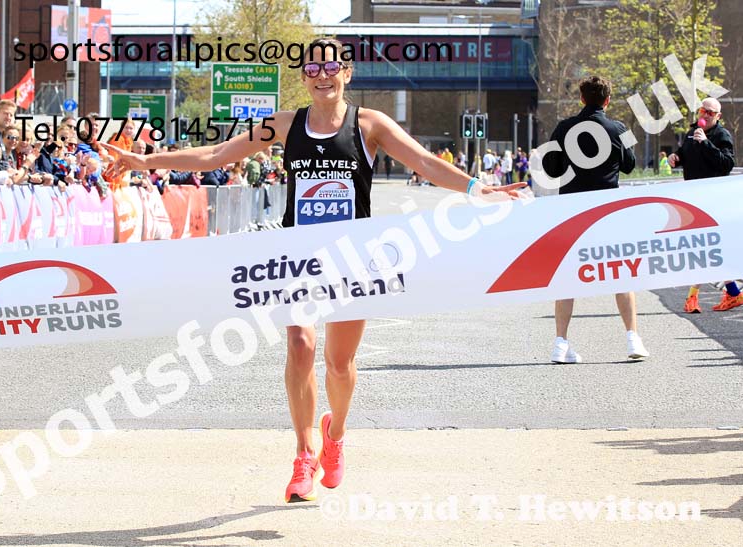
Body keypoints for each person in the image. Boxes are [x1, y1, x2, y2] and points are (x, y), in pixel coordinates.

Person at [103, 37, 525, 504]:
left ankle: (335, 434)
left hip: (353, 260)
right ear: (303, 77)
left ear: (347, 74)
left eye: (331, 67)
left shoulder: (370, 124)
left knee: (339, 365)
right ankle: (304, 451)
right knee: (301, 346)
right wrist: (146, 161)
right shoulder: (285, 125)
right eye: (312, 68)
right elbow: (216, 156)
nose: (322, 74)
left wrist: (477, 190)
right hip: (297, 258)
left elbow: (424, 162)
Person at [542, 75, 649, 364]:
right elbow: (629, 166)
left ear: (581, 98)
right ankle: (632, 339)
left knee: (568, 279)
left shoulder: (564, 128)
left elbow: (550, 171)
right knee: (621, 272)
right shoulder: (620, 128)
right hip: (607, 214)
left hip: (572, 214)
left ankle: (560, 345)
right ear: (607, 100)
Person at [668, 97, 737, 313]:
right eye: (703, 110)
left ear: (718, 116)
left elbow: (726, 164)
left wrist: (705, 143)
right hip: (693, 198)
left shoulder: (721, 135)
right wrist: (675, 158)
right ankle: (734, 293)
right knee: (704, 248)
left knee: (703, 248)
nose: (705, 115)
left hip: (713, 199)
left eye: (710, 112)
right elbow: (684, 156)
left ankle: (693, 297)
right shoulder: (691, 132)